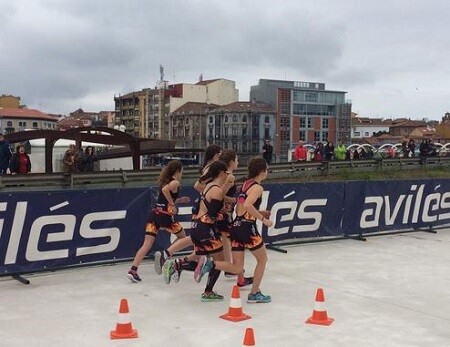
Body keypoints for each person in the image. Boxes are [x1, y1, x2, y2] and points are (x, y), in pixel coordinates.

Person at [198, 156, 273, 303]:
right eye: (267, 170)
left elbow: (241, 208)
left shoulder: (245, 185)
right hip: (247, 228)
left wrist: (259, 212)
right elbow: (248, 206)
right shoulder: (257, 187)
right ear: (262, 171)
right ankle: (254, 293)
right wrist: (263, 219)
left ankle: (211, 264)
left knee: (237, 267)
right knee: (262, 259)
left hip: (236, 226)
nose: (267, 173)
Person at [153, 144, 222, 284]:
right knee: (200, 239)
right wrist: (210, 195)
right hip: (205, 209)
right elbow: (198, 186)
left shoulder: (211, 167)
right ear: (215, 155)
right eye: (219, 154)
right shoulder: (212, 168)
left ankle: (177, 263)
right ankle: (171, 258)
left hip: (204, 208)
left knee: (200, 242)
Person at [127, 160, 190, 283]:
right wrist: (172, 204)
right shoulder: (175, 182)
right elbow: (166, 191)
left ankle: (133, 270)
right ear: (178, 171)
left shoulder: (165, 181)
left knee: (146, 244)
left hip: (155, 215)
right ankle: (164, 255)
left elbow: (164, 196)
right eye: (182, 171)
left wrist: (178, 200)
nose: (182, 173)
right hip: (165, 216)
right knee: (183, 237)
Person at [176, 160, 229, 302]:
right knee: (219, 261)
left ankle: (178, 264)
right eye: (227, 173)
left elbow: (207, 208)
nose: (228, 176)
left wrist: (220, 209)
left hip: (195, 228)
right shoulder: (217, 190)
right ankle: (208, 292)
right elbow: (212, 215)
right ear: (221, 173)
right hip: (206, 229)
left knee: (201, 260)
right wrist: (223, 214)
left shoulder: (207, 186)